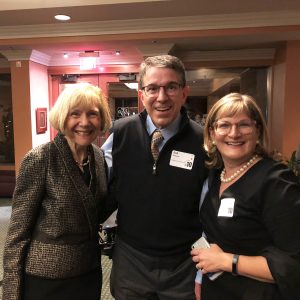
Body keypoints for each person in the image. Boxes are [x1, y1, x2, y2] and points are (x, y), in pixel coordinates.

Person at [101, 54, 207, 299]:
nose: (161, 97)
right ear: (142, 95)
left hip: (184, 263)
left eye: (171, 87)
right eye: (152, 88)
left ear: (184, 93)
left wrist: (201, 270)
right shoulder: (120, 134)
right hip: (131, 259)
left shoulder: (204, 141)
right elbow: (96, 183)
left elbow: (211, 208)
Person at [2, 83, 112, 300]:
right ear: (63, 117)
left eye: (93, 114)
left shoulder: (98, 158)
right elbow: (17, 233)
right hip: (47, 278)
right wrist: (11, 293)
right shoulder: (40, 158)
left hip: (88, 272)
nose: (84, 122)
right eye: (75, 114)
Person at [191, 93, 300, 299]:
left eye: (244, 125)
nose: (234, 133)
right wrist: (200, 279)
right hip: (217, 290)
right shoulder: (216, 176)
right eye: (224, 125)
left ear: (257, 131)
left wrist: (226, 261)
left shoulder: (275, 181)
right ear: (212, 133)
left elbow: (293, 264)